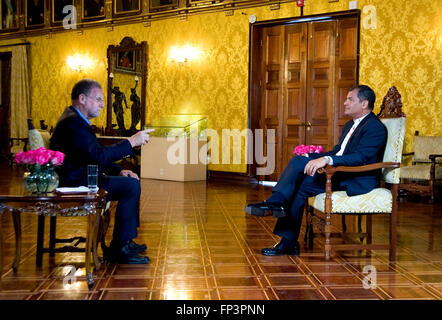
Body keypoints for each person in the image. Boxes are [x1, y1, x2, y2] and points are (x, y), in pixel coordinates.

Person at [245, 85, 387, 256]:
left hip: (356, 177)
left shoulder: (375, 127)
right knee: (301, 169)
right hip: (340, 172)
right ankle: (287, 239)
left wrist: (326, 160)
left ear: (364, 103)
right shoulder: (350, 125)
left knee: (300, 171)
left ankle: (278, 204)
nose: (345, 102)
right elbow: (338, 151)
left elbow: (360, 157)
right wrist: (313, 156)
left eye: (350, 99)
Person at [50, 79, 154, 264]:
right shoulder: (73, 123)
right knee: (131, 186)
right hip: (75, 183)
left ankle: (123, 242)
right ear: (82, 98)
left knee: (130, 182)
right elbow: (97, 155)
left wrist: (120, 171)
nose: (103, 104)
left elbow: (91, 156)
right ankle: (120, 247)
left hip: (81, 176)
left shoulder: (74, 119)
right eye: (98, 99)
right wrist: (130, 142)